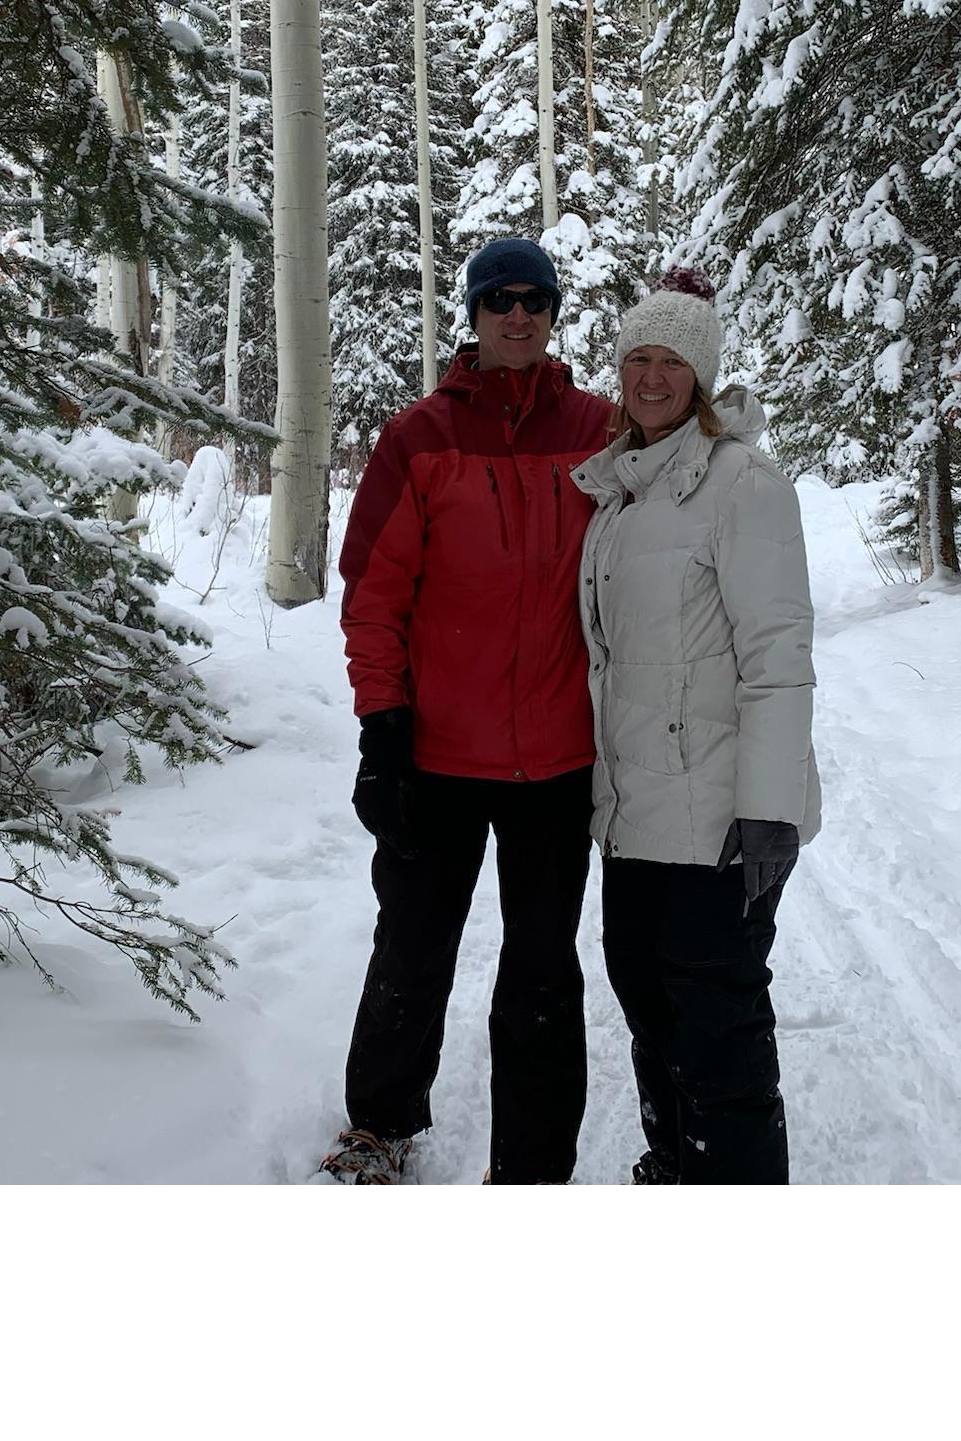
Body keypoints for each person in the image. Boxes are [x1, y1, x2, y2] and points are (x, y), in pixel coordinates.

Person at [321, 238, 614, 1184]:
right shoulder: (419, 437)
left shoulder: (602, 433)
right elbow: (372, 592)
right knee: (411, 950)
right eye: (499, 301)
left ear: (552, 311)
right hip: (438, 757)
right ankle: (380, 1124)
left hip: (560, 761)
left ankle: (531, 1169)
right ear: (475, 316)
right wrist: (382, 727)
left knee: (541, 971)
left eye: (534, 300)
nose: (517, 315)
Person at [571, 269, 821, 1185]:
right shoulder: (620, 492)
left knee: (718, 1029)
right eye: (636, 357)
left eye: (671, 360)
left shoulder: (742, 484)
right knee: (647, 1005)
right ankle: (674, 1167)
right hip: (635, 815)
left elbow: (778, 657)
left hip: (720, 822)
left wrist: (769, 811)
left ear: (703, 375)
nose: (650, 376)